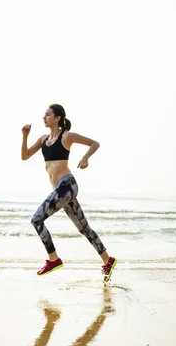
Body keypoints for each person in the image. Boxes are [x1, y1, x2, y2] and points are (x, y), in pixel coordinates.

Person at [21, 104, 117, 280]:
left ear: (57, 118)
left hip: (67, 185)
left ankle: (53, 258)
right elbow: (25, 155)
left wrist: (85, 158)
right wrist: (25, 137)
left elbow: (95, 143)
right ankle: (107, 260)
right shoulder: (43, 139)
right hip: (60, 189)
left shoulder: (67, 136)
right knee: (84, 228)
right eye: (44, 115)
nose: (44, 117)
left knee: (36, 219)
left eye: (48, 114)